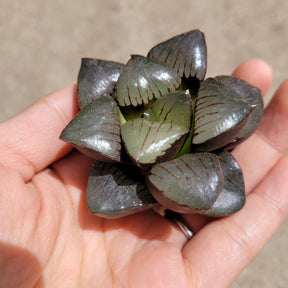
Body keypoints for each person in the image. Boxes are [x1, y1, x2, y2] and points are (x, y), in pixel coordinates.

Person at [0, 59, 287, 288]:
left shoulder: (214, 109)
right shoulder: (111, 127)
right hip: (132, 168)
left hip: (190, 167)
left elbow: (242, 101)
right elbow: (103, 81)